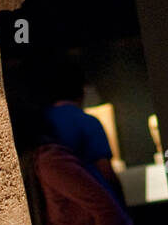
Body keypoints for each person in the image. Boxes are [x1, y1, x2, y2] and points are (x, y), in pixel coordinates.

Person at [42, 60, 126, 206]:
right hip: (94, 206)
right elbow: (105, 170)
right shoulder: (87, 121)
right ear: (81, 89)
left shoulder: (42, 123)